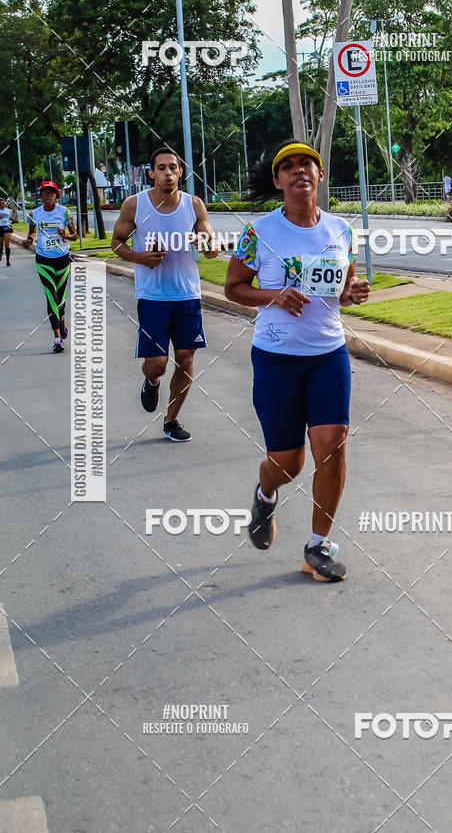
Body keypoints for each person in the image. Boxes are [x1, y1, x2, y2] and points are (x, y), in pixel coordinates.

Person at [225, 139, 370, 582]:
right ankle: (265, 494)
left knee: (332, 444)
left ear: (320, 175)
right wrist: (274, 295)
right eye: (288, 166)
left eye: (307, 163)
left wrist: (353, 293)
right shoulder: (258, 232)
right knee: (289, 464)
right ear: (278, 181)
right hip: (276, 358)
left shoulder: (342, 230)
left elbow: (341, 291)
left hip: (328, 354)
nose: (299, 170)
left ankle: (317, 546)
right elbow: (233, 287)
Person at [111, 147, 219, 442]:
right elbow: (116, 242)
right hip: (153, 298)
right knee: (157, 363)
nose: (168, 173)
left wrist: (204, 244)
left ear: (180, 172)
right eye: (161, 168)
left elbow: (213, 250)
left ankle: (171, 420)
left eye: (173, 167)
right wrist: (139, 257)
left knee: (185, 357)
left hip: (187, 296)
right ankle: (151, 380)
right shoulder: (135, 205)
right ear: (152, 173)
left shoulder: (194, 205)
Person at [23, 182, 78, 353]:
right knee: (51, 296)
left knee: (60, 297)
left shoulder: (65, 212)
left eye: (51, 193)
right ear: (40, 196)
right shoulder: (34, 214)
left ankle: (61, 319)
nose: (48, 196)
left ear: (57, 196)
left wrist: (65, 235)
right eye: (45, 193)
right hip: (43, 260)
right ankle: (57, 338)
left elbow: (75, 236)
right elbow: (32, 232)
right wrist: (29, 240)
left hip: (62, 260)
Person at [0, 197, 13, 266]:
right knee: (0, 244)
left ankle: (8, 261)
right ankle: (0, 252)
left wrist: (11, 218)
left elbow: (10, 218)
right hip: (0, 227)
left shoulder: (8, 210)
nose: (2, 205)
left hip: (7, 227)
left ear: (5, 203)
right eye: (0, 204)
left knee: (7, 244)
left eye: (3, 203)